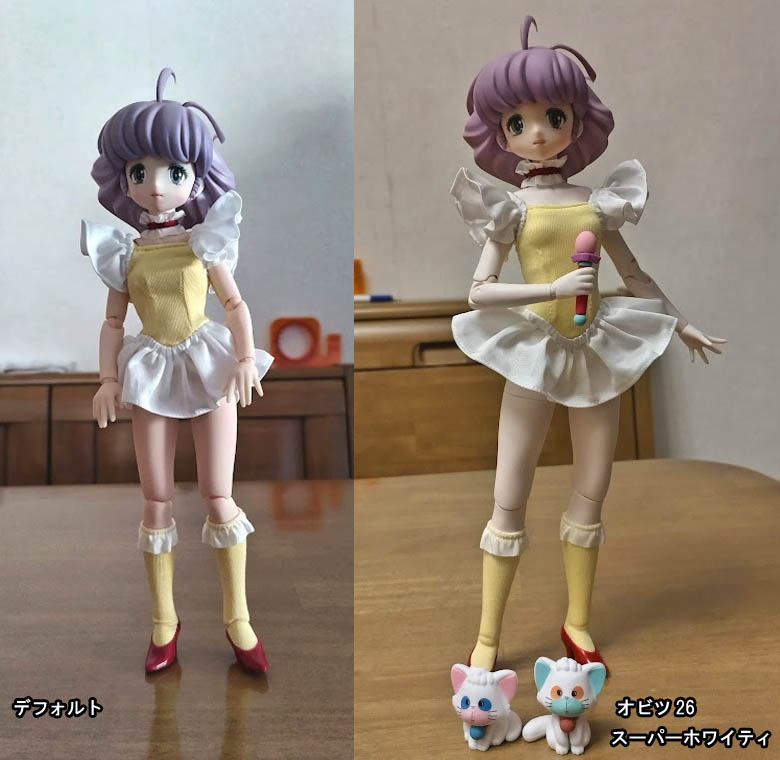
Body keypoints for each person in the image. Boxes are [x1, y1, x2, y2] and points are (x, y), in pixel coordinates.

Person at [451, 17, 725, 674]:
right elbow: (479, 292)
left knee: (592, 490)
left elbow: (635, 275)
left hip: (596, 351)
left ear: (577, 121)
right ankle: (488, 634)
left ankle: (577, 620)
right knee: (509, 493)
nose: (538, 132)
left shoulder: (599, 205)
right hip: (535, 352)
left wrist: (679, 321)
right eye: (517, 122)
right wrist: (550, 290)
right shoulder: (512, 209)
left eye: (552, 116)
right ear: (500, 134)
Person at [81, 68, 274, 673]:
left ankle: (238, 619)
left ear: (197, 178)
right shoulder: (125, 253)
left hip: (208, 363)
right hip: (151, 371)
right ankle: (164, 621)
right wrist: (108, 379)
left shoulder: (202, 242)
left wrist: (246, 358)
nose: (156, 185)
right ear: (123, 179)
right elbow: (113, 322)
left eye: (175, 171)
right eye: (140, 172)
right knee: (156, 499)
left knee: (219, 495)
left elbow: (235, 304)